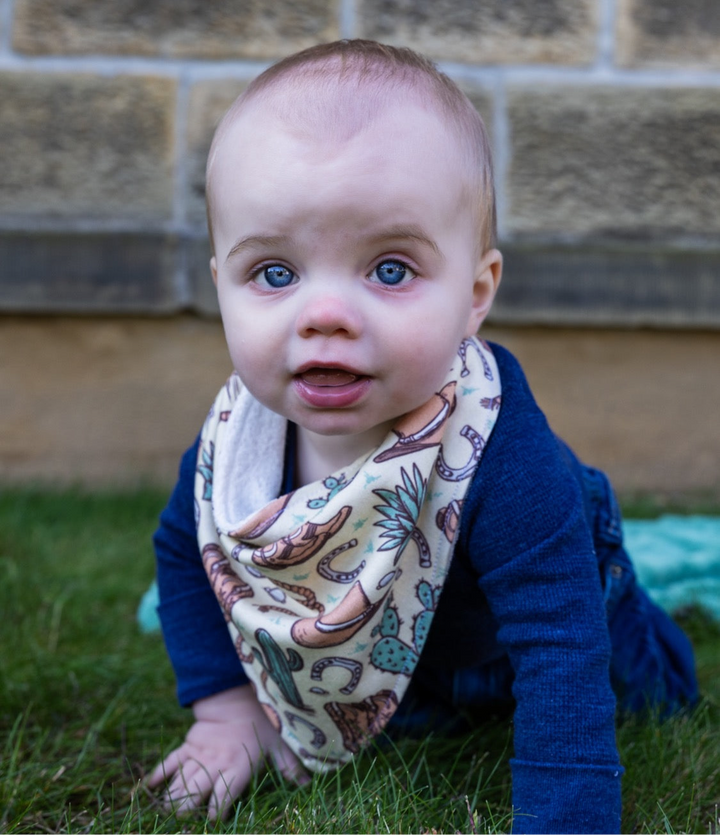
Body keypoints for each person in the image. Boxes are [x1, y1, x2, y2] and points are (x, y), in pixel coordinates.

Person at [147, 40, 698, 833]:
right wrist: (228, 708)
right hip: (406, 655)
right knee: (417, 717)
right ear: (220, 287)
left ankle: (656, 636)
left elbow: (559, 638)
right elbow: (184, 553)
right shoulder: (234, 447)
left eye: (391, 269)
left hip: (551, 615)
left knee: (652, 692)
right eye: (274, 273)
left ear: (475, 294)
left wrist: (566, 816)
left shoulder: (498, 449)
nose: (324, 313)